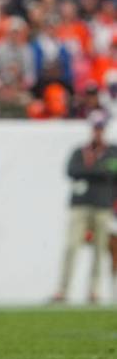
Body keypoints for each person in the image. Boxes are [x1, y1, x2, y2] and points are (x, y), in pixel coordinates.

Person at [52, 111, 117, 304]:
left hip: (102, 205)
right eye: (95, 128)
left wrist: (90, 172)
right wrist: (100, 171)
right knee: (71, 246)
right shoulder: (80, 151)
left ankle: (94, 291)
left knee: (99, 250)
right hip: (80, 205)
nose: (97, 132)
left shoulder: (112, 151)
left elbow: (112, 171)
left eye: (100, 128)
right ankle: (62, 290)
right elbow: (72, 171)